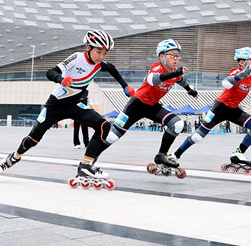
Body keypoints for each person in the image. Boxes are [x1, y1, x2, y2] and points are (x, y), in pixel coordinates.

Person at [0, 30, 134, 179]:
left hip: (75, 105)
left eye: (105, 53)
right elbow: (50, 72)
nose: (102, 57)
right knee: (34, 138)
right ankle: (13, 157)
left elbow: (113, 69)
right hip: (55, 105)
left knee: (104, 126)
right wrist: (60, 79)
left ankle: (85, 166)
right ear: (88, 48)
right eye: (99, 52)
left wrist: (125, 87)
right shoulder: (77, 58)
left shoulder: (100, 64)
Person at [80, 39, 198, 175]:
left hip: (152, 106)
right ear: (162, 56)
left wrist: (190, 90)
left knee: (177, 124)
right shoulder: (158, 67)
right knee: (112, 136)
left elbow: (182, 80)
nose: (176, 59)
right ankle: (88, 162)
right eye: (172, 55)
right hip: (136, 105)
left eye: (178, 56)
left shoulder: (175, 73)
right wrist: (175, 74)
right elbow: (153, 79)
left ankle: (161, 155)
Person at [172, 47, 251, 168]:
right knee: (198, 136)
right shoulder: (236, 71)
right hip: (219, 108)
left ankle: (238, 154)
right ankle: (175, 155)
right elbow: (226, 83)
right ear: (242, 62)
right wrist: (244, 73)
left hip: (233, 109)